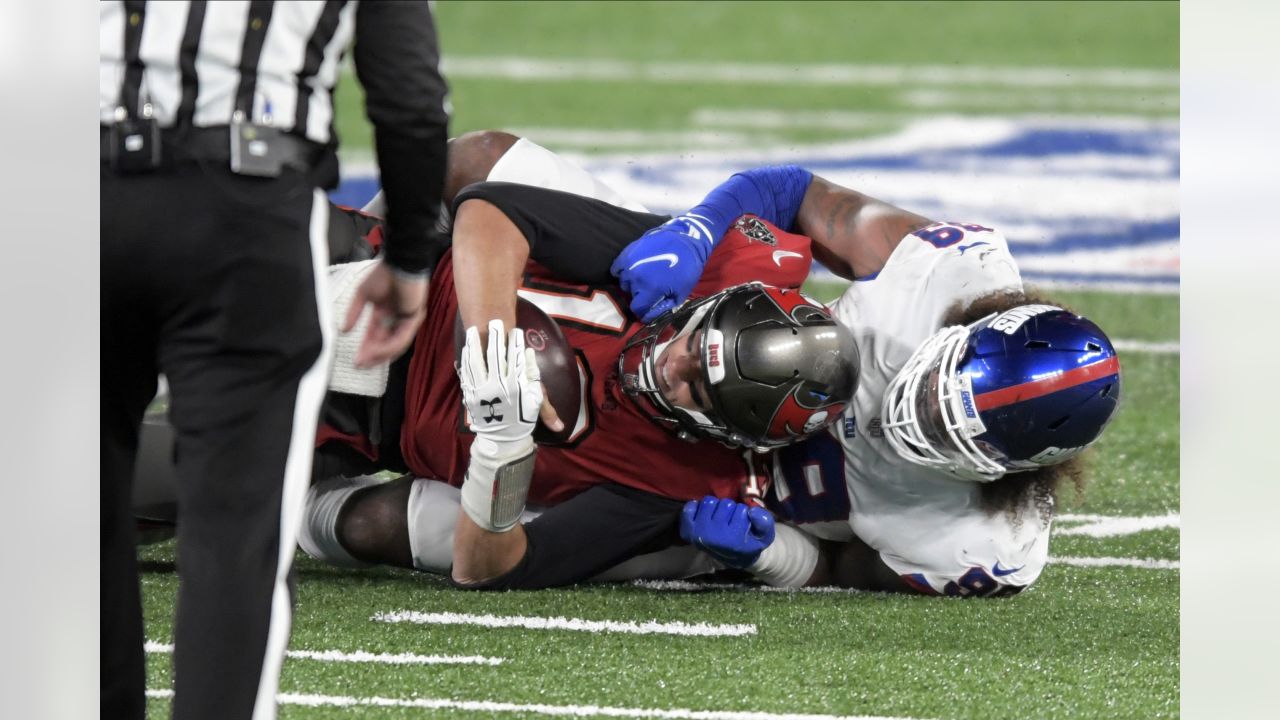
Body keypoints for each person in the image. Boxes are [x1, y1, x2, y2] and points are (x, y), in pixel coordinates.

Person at [100, 3, 448, 719]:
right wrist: (410, 257)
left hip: (73, 190)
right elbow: (410, 95)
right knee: (234, 539)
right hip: (246, 207)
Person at [615, 166, 1123, 596]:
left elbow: (839, 568)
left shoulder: (988, 548)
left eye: (951, 434)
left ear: (1007, 470)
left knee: (583, 554)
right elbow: (787, 191)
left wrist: (766, 554)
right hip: (693, 348)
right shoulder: (949, 272)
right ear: (957, 335)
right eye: (933, 394)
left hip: (708, 493)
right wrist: (695, 232)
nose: (917, 420)